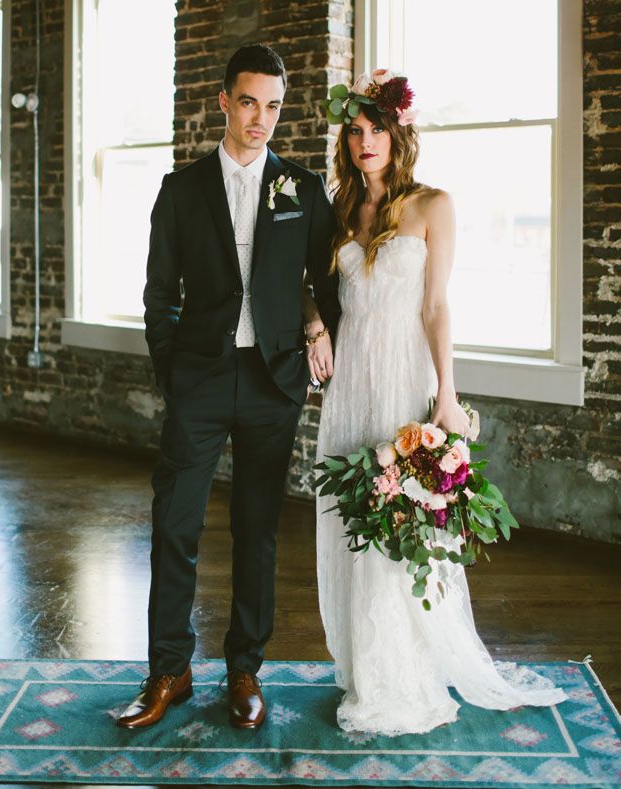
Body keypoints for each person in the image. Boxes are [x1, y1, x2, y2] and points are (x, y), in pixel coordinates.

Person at [307, 69, 567, 735]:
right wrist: (313, 325)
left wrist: (446, 395)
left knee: (402, 526)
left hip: (403, 384)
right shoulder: (339, 209)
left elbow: (436, 305)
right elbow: (313, 286)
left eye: (376, 130)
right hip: (349, 388)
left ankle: (403, 676)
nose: (365, 141)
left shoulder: (432, 205)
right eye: (355, 131)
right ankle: (364, 666)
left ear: (397, 135)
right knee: (352, 523)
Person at [117, 43, 340, 732]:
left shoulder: (302, 190)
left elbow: (328, 283)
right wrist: (174, 372)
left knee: (257, 531)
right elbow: (158, 294)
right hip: (202, 381)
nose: (261, 119)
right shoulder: (180, 190)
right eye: (249, 102)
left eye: (273, 106)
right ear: (224, 101)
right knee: (174, 523)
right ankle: (169, 670)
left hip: (274, 383)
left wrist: (315, 331)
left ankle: (245, 667)